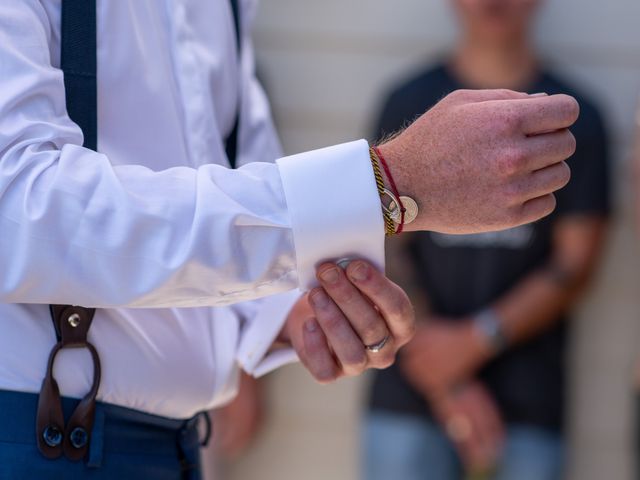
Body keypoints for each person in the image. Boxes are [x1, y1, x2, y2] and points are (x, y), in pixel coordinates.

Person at [0, 0, 579, 477]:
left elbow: (227, 176)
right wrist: (385, 186)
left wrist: (294, 312)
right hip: (35, 440)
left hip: (177, 447)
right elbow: (17, 212)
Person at [363, 1, 610, 479]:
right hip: (407, 392)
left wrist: (476, 341)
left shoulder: (576, 115)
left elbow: (575, 265)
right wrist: (446, 379)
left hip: (525, 400)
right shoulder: (405, 101)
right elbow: (378, 241)